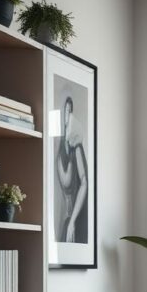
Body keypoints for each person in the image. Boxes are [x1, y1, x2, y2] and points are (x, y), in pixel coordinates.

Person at [55, 95, 89, 243]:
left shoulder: (78, 149)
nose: (67, 116)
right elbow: (66, 180)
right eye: (65, 111)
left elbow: (84, 182)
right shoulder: (61, 154)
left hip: (78, 217)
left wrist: (73, 221)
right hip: (68, 218)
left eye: (70, 111)